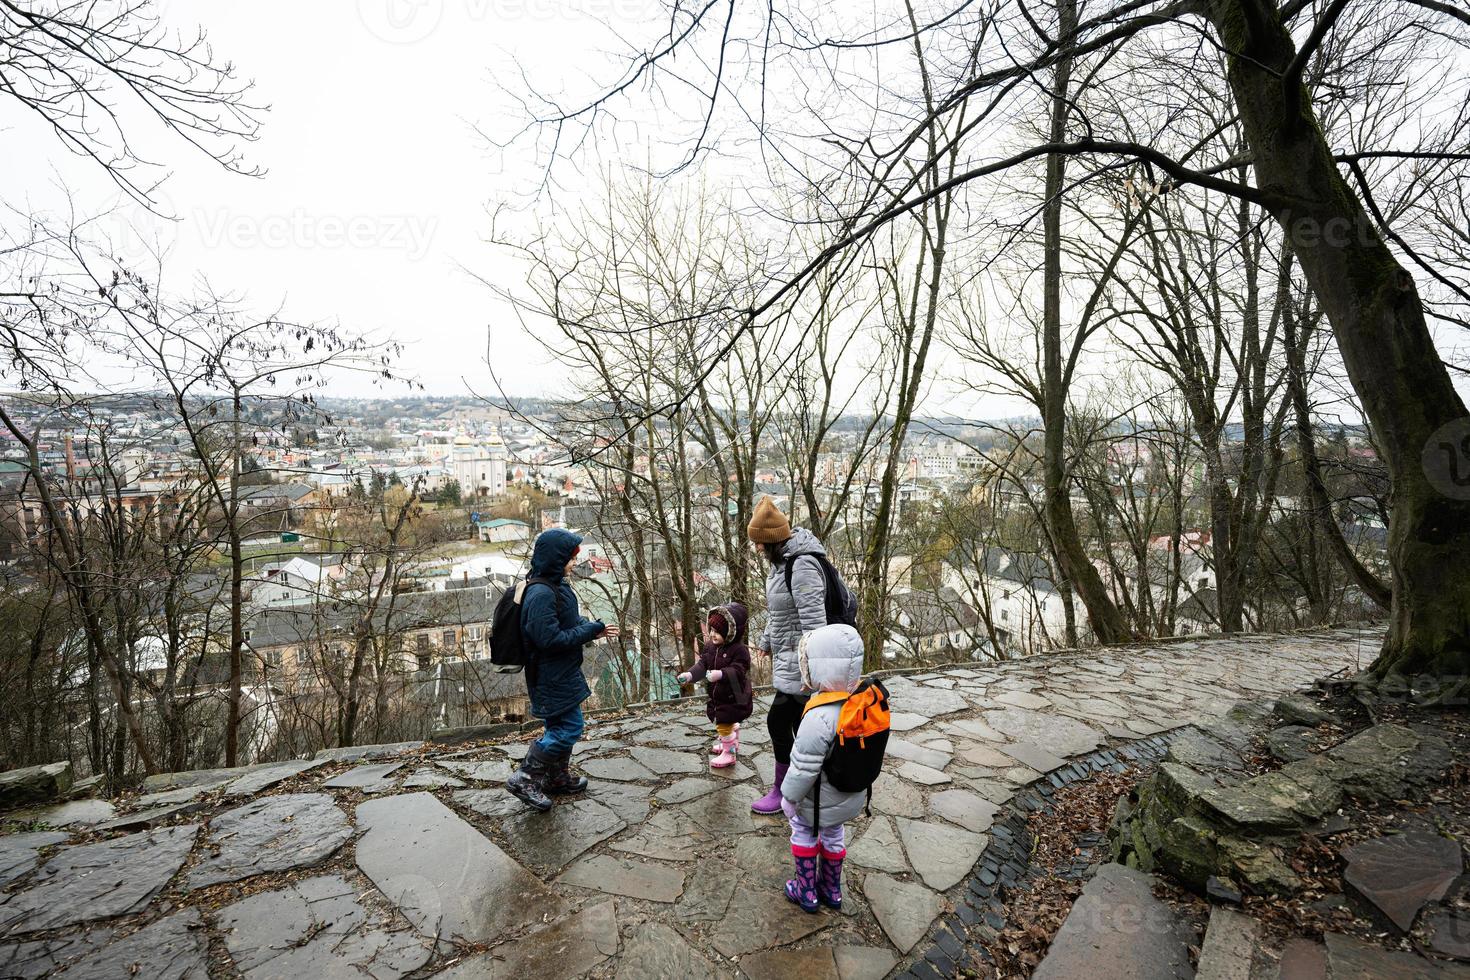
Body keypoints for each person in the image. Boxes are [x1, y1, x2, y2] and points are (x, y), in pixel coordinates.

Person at [505, 528, 619, 812]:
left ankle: (555, 777)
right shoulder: (541, 593)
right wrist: (589, 632)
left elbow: (568, 621)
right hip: (550, 674)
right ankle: (526, 777)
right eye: (569, 558)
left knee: (559, 726)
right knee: (570, 728)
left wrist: (594, 628)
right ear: (556, 559)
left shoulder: (556, 585)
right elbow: (550, 639)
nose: (573, 563)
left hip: (562, 671)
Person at [747, 495, 831, 815]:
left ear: (769, 541)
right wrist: (767, 640)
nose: (755, 548)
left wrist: (814, 676)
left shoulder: (802, 564)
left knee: (778, 723)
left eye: (758, 542)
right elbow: (779, 612)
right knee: (796, 728)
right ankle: (802, 787)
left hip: (804, 666)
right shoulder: (780, 565)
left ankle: (785, 792)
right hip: (789, 658)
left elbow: (814, 624)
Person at [780, 623, 868, 913]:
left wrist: (789, 797)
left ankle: (806, 891)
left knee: (803, 830)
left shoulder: (820, 716)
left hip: (816, 800)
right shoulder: (859, 705)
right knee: (833, 833)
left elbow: (803, 766)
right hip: (847, 795)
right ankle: (832, 890)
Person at [677, 603, 754, 769]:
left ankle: (729, 753)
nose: (713, 635)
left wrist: (721, 674)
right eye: (711, 630)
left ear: (730, 632)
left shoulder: (739, 650)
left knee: (723, 724)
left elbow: (739, 670)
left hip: (734, 695)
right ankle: (730, 740)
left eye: (718, 632)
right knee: (724, 721)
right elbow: (703, 664)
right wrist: (690, 675)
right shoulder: (711, 647)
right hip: (718, 695)